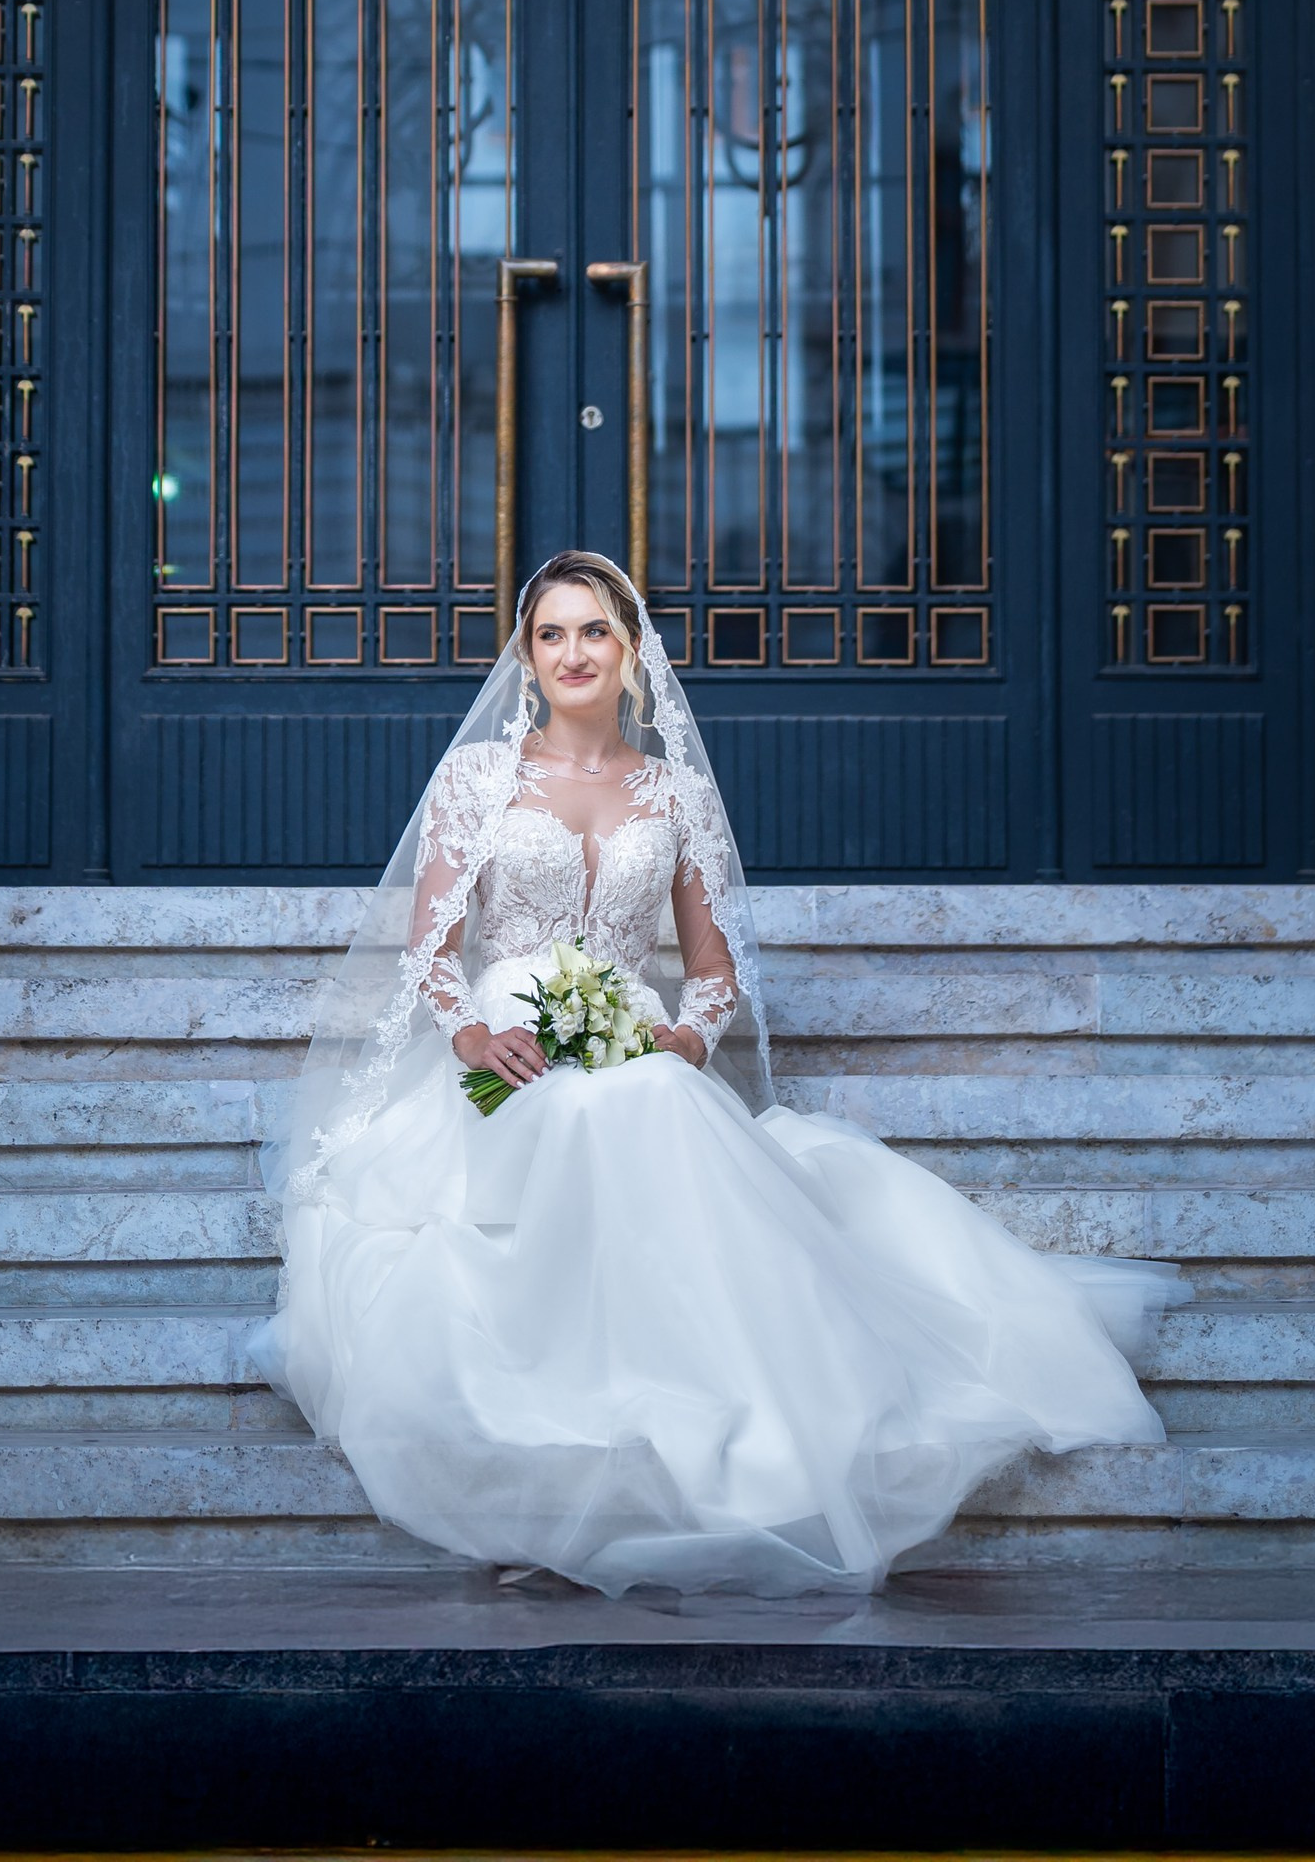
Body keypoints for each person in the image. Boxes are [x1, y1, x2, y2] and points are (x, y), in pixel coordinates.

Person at [268, 549, 1170, 1598]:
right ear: (525, 654)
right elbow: (430, 947)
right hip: (505, 1049)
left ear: (630, 650)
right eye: (551, 632)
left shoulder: (674, 792)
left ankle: (722, 1406)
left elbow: (710, 968)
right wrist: (472, 1037)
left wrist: (688, 1039)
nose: (572, 651)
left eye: (594, 631)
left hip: (634, 1042)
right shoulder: (478, 779)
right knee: (592, 1118)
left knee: (649, 1099)